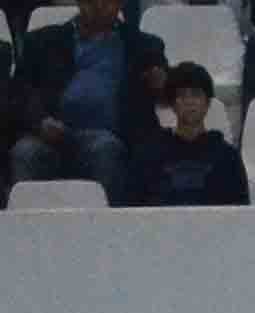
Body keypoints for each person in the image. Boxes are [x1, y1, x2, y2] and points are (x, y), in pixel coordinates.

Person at [13, 0, 166, 206]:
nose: (99, 6)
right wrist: (40, 122)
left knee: (104, 149)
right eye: (91, 1)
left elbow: (172, 95)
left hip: (111, 135)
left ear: (120, 4)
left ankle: (113, 229)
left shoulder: (143, 45)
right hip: (48, 134)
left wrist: (162, 84)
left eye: (106, 1)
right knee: (25, 153)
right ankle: (20, 230)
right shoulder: (42, 40)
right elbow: (19, 93)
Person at [133, 64, 247, 206]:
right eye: (182, 95)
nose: (189, 102)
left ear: (207, 103)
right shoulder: (150, 155)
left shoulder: (228, 157)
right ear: (173, 104)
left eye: (196, 94)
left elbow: (240, 214)